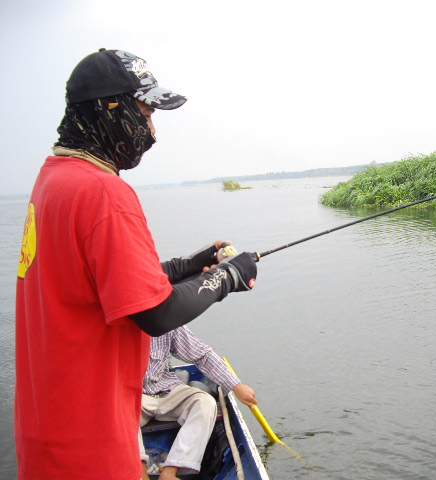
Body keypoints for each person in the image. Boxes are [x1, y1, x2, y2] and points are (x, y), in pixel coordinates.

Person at [15, 48, 258, 480]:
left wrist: (191, 264)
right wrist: (229, 276)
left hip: (47, 436)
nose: (152, 132)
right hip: (91, 445)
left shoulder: (54, 181)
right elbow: (155, 313)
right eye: (145, 113)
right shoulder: (103, 192)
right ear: (109, 110)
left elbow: (102, 283)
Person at [139, 326, 257, 480]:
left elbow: (202, 355)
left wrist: (237, 386)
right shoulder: (111, 327)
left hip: (166, 387)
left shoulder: (166, 320)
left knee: (205, 402)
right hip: (131, 394)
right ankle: (139, 474)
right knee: (116, 412)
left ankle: (170, 472)